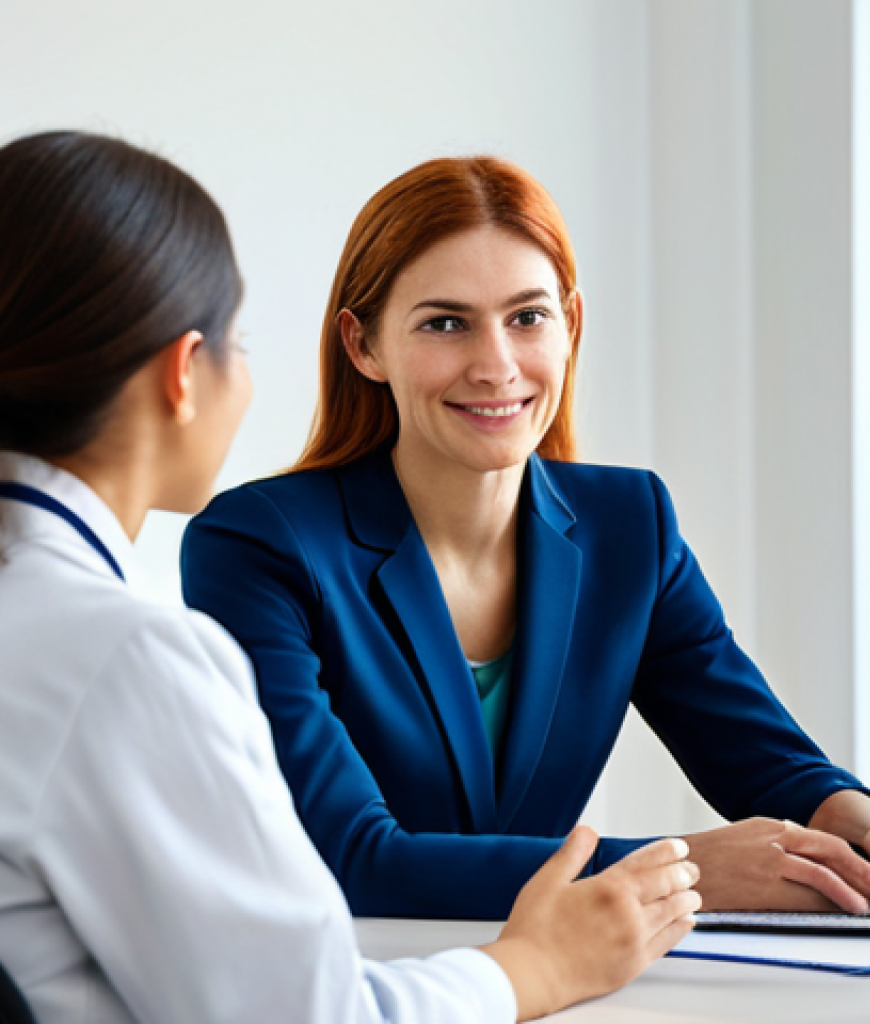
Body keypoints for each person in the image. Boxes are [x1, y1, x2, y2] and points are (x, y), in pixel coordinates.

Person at [181, 156, 870, 924]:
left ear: (572, 324)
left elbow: (765, 762)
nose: (496, 365)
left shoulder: (631, 526)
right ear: (364, 345)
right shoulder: (259, 546)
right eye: (445, 324)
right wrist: (687, 870)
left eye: (527, 317)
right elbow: (353, 858)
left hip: (557, 987)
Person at [0, 131, 703, 1024]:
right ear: (186, 371)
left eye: (528, 317)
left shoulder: (45, 626)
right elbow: (309, 1013)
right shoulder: (126, 658)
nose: (495, 363)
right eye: (237, 339)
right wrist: (538, 966)